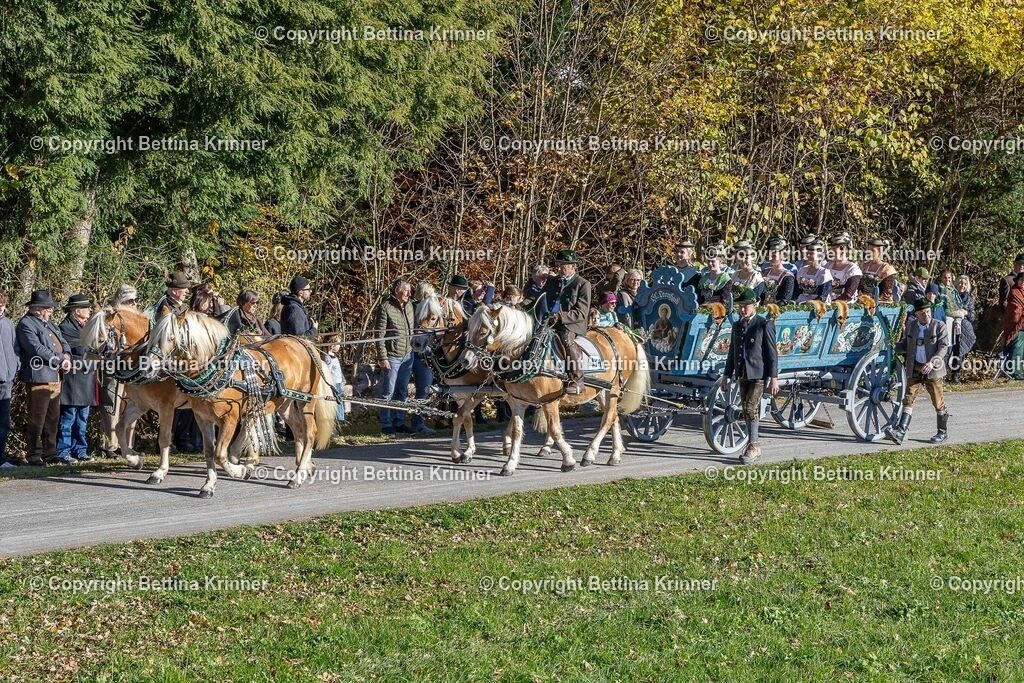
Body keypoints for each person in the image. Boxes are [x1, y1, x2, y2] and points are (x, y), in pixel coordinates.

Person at [722, 288, 780, 464]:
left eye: (746, 306)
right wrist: (726, 375)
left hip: (758, 374)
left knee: (749, 408)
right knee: (747, 409)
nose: (742, 309)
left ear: (755, 305)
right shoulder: (737, 326)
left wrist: (774, 378)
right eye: (740, 306)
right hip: (742, 372)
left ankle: (754, 446)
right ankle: (751, 444)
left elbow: (772, 354)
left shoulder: (764, 324)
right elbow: (732, 352)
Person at [15, 290, 71, 467]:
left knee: (53, 417)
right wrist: (60, 359)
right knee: (37, 418)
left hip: (55, 376)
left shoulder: (50, 324)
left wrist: (67, 355)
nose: (51, 310)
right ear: (37, 309)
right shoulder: (26, 324)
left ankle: (50, 452)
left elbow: (63, 341)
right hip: (39, 377)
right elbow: (36, 349)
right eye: (48, 308)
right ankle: (34, 454)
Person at [886, 297, 950, 444]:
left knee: (937, 401)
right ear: (916, 314)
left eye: (928, 312)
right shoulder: (912, 326)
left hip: (933, 370)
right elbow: (905, 345)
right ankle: (901, 431)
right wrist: (891, 345)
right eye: (922, 313)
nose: (926, 315)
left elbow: (943, 348)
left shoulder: (939, 326)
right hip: (915, 368)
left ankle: (942, 432)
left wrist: (932, 362)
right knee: (908, 398)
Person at [96, 285, 138, 457]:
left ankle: (127, 444)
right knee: (111, 405)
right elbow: (101, 342)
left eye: (135, 300)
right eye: (130, 300)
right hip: (112, 365)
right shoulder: (109, 316)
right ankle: (110, 445)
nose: (134, 303)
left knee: (131, 404)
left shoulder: (136, 318)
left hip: (132, 367)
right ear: (121, 301)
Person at [57, 294, 97, 464]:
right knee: (68, 417)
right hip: (73, 379)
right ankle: (63, 451)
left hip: (86, 378)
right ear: (76, 311)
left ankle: (80, 450)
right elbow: (81, 349)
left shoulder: (87, 327)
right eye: (86, 308)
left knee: (82, 418)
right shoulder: (65, 327)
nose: (89, 310)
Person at [545, 249, 592, 394]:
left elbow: (581, 313)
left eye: (562, 265)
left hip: (572, 324)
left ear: (573, 266)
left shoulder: (582, 284)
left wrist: (560, 316)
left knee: (566, 339)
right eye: (558, 265)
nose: (558, 268)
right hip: (550, 321)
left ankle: (577, 380)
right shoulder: (552, 281)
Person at [374, 278, 416, 435]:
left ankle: (399, 421)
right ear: (397, 291)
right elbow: (379, 335)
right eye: (406, 290)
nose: (409, 293)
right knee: (388, 391)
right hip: (392, 356)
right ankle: (386, 423)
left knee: (402, 391)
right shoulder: (385, 307)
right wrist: (382, 357)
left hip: (408, 354)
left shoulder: (410, 306)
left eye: (410, 291)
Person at [410, 282, 438, 435]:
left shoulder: (430, 309)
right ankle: (416, 422)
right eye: (427, 295)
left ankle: (419, 420)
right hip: (417, 352)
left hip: (428, 352)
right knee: (422, 388)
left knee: (425, 389)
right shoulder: (414, 308)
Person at [0, 293, 19, 468]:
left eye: (3, 305)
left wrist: (15, 365)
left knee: (4, 422)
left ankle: (1, 457)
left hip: (6, 380)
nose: (1, 308)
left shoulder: (8, 324)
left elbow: (15, 348)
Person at [948, 275, 978, 383]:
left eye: (965, 284)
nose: (962, 286)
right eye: (960, 283)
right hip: (950, 325)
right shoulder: (950, 296)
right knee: (948, 349)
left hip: (963, 329)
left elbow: (973, 316)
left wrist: (966, 312)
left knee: (959, 351)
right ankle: (944, 374)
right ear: (956, 284)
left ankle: (955, 374)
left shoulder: (969, 299)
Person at [859, 237, 898, 302]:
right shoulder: (863, 266)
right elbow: (857, 286)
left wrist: (871, 300)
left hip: (879, 302)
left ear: (880, 252)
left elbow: (886, 294)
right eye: (868, 250)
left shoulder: (887, 269)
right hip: (861, 300)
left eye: (873, 251)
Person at [826, 233, 862, 302]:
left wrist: (833, 303)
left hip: (845, 304)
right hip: (827, 302)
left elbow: (848, 294)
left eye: (834, 250)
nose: (831, 253)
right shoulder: (828, 265)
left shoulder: (853, 269)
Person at [795, 238, 833, 303]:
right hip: (801, 302)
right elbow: (797, 290)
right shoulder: (802, 270)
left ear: (819, 256)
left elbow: (823, 295)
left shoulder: (824, 272)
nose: (808, 255)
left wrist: (811, 303)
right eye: (807, 253)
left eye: (811, 254)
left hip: (818, 304)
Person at [761, 235, 796, 304]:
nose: (770, 258)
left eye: (774, 256)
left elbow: (785, 299)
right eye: (769, 255)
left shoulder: (788, 277)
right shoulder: (765, 272)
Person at [322, 335, 347, 423]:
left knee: (340, 400)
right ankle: (338, 418)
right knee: (336, 400)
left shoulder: (334, 356)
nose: (339, 346)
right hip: (334, 383)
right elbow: (327, 371)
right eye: (338, 344)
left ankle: (341, 417)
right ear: (332, 345)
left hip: (338, 382)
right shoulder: (328, 358)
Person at [1004, 273, 1024, 380]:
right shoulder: (1014, 291)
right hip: (1016, 324)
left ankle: (1012, 371)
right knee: (1017, 348)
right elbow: (1015, 309)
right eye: (1022, 280)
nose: (1023, 282)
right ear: (1017, 280)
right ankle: (1015, 373)